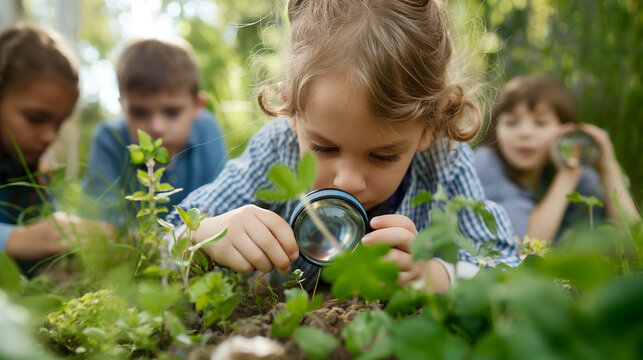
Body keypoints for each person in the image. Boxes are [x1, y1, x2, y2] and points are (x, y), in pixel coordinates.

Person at [166, 0, 521, 294]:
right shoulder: (276, 150)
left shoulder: (444, 162)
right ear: (292, 110)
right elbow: (162, 239)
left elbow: (506, 263)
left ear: (430, 125)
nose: (349, 180)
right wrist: (205, 234)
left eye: (383, 156)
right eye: (324, 148)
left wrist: (437, 275)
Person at [475, 75, 640, 242]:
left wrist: (608, 167)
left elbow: (634, 245)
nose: (525, 133)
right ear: (495, 129)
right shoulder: (484, 165)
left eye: (541, 123)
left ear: (566, 131)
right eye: (511, 123)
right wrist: (567, 175)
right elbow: (527, 246)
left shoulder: (580, 176)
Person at [84, 38, 227, 225]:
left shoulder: (207, 129)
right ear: (123, 108)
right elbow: (102, 223)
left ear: (197, 106)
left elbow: (221, 207)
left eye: (172, 112)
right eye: (139, 112)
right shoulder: (110, 139)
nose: (156, 127)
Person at [0, 23, 91, 266]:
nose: (50, 136)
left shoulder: (34, 180)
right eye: (35, 118)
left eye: (59, 123)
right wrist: (15, 239)